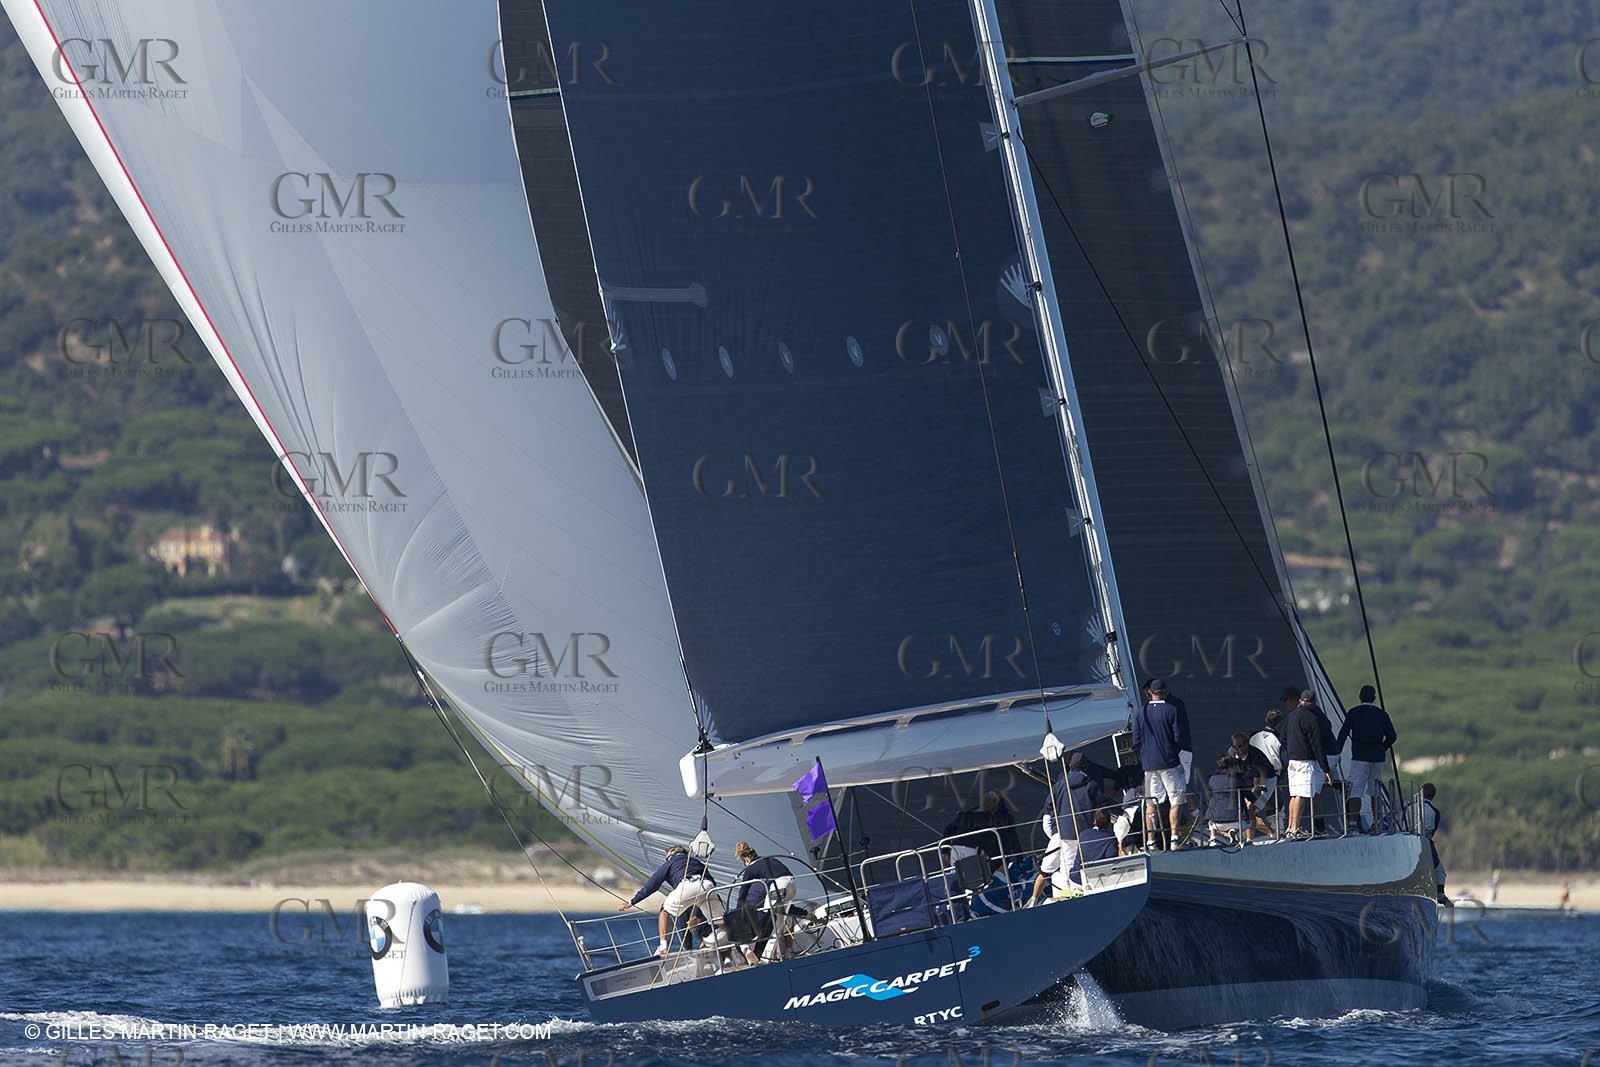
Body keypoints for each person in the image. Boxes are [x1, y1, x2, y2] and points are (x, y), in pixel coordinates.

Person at [617, 843, 723, 958]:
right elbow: (712, 882)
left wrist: (632, 902)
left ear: (670, 855)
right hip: (708, 886)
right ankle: (742, 947)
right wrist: (697, 916)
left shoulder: (671, 862)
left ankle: (663, 947)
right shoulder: (696, 862)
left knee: (664, 910)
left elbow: (652, 884)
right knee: (722, 923)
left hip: (688, 885)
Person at [1028, 752, 1098, 906]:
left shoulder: (1059, 785)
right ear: (1085, 766)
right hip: (1084, 830)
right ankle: (1076, 894)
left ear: (1070, 765)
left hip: (1065, 831)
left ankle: (1068, 895)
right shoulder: (1091, 784)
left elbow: (1049, 805)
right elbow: (1099, 804)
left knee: (1067, 864)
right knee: (1080, 863)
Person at [1131, 678, 1185, 852]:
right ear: (1165, 691)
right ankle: (1175, 838)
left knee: (1150, 803)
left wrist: (1146, 754)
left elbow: (1136, 741)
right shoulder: (1172, 709)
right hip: (1169, 762)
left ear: (1150, 693)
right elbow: (1178, 737)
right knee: (1175, 800)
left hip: (1148, 765)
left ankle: (1151, 841)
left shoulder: (1140, 712)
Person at [1337, 685, 1398, 832]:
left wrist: (1336, 752)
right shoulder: (1382, 715)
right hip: (1377, 758)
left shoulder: (1354, 713)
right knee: (1375, 790)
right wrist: (1382, 748)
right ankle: (1377, 822)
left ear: (1360, 697)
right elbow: (1392, 736)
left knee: (1355, 791)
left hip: (1359, 757)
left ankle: (1352, 824)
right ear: (1374, 698)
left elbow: (1343, 734)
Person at [732, 842, 794, 961]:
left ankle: (751, 948)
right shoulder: (769, 860)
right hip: (792, 884)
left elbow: (743, 891)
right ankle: (770, 956)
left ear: (746, 859)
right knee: (778, 921)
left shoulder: (751, 867)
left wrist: (738, 911)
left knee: (766, 915)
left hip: (779, 885)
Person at [1282, 690, 1331, 840]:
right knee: (1302, 795)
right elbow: (1317, 745)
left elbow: (1283, 738)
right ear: (1313, 703)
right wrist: (1325, 768)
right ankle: (1295, 828)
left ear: (1300, 700)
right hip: (1306, 761)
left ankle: (1290, 827)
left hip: (1293, 761)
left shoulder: (1290, 717)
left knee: (1294, 794)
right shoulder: (1312, 718)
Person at [942, 790, 1021, 867]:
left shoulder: (969, 813)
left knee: (958, 877)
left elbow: (948, 829)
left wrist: (944, 851)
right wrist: (1017, 859)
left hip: (955, 848)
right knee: (976, 877)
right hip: (972, 851)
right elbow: (1008, 839)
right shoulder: (1000, 817)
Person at [1205, 754, 1250, 845]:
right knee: (1251, 817)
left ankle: (1213, 838)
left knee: (1212, 811)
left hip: (1217, 823)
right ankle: (1245, 837)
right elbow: (1250, 796)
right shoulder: (1237, 778)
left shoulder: (1212, 779)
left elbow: (1209, 797)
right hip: (1238, 821)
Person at [1420, 782, 1447, 902]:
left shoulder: (1408, 806)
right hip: (1425, 841)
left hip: (1406, 838)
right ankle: (1440, 892)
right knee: (1439, 870)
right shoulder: (1435, 812)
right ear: (1433, 796)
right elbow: (1433, 830)